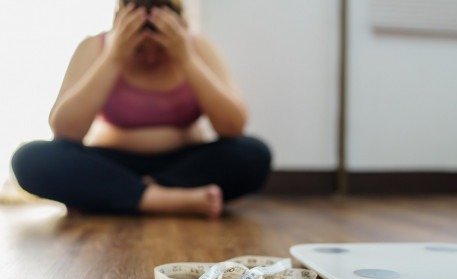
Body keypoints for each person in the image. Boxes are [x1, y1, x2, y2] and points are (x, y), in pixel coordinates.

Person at [10, 0, 272, 218]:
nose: (150, 58)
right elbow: (65, 131)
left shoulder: (198, 48)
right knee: (29, 159)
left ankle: (124, 195)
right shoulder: (95, 48)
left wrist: (185, 57)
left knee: (254, 153)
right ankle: (163, 200)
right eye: (139, 49)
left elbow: (233, 127)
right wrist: (114, 57)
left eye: (159, 48)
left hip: (182, 167)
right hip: (112, 164)